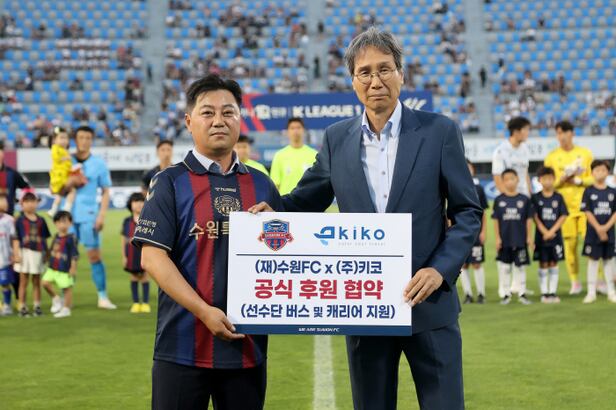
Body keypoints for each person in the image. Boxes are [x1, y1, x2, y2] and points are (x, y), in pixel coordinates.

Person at [249, 28, 481, 409]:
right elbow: (304, 201)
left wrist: (439, 270)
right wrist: (272, 215)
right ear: (353, 81)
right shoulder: (336, 138)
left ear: (401, 74)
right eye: (365, 72)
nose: (376, 81)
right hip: (365, 310)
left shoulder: (440, 131)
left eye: (385, 69)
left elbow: (467, 212)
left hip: (430, 306)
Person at [133, 74, 282, 410]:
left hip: (247, 348)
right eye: (207, 112)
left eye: (228, 112)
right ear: (189, 122)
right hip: (181, 347)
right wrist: (204, 311)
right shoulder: (169, 182)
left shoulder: (262, 184)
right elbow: (152, 258)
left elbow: (285, 258)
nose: (218, 120)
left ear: (240, 119)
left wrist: (280, 229)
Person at [544, 120, 595, 295]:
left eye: (564, 132)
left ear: (572, 133)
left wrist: (579, 180)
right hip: (564, 210)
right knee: (570, 245)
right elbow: (548, 184)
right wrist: (562, 180)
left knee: (591, 243)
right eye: (558, 133)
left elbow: (594, 178)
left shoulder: (585, 154)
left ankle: (598, 281)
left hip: (585, 207)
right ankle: (575, 282)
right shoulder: (551, 157)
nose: (561, 136)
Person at [71, 125, 116, 309]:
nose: (84, 141)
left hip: (89, 215)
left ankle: (102, 297)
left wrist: (101, 215)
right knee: (67, 258)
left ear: (91, 140)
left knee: (94, 256)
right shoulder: (66, 161)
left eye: (88, 138)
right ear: (76, 140)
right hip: (67, 217)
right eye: (81, 137)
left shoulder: (99, 164)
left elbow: (106, 191)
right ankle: (65, 300)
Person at [492, 169, 534, 305]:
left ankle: (522, 293)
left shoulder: (524, 199)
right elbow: (496, 220)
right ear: (503, 182)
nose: (510, 182)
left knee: (520, 267)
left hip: (520, 240)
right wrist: (497, 238)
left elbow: (528, 219)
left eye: (512, 178)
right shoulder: (499, 200)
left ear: (517, 180)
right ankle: (506, 294)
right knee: (505, 268)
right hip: (505, 240)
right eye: (506, 179)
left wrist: (529, 237)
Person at [580, 160, 616, 304]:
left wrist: (606, 227)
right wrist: (599, 228)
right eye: (597, 170)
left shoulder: (613, 192)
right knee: (593, 261)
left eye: (603, 170)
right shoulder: (588, 191)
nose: (600, 173)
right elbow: (587, 211)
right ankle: (591, 292)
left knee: (608, 260)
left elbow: (614, 212)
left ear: (608, 172)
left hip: (609, 233)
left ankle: (611, 291)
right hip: (593, 233)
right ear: (592, 173)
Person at [531, 167, 568, 303]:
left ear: (554, 179)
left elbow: (563, 215)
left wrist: (552, 231)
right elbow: (534, 217)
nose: (547, 181)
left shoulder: (558, 197)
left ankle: (552, 292)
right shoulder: (535, 198)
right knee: (543, 263)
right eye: (544, 179)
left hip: (555, 237)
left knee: (554, 262)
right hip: (541, 237)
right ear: (539, 180)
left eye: (550, 178)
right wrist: (545, 231)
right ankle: (544, 293)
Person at [0, 140, 31, 301]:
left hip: (9, 224)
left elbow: (27, 188)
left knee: (14, 262)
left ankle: (19, 299)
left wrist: (23, 209)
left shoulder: (11, 173)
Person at [14, 191, 51, 317]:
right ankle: (22, 307)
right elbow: (16, 238)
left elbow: (44, 238)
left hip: (38, 253)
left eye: (33, 201)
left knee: (36, 281)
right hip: (24, 252)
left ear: (37, 203)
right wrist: (16, 254)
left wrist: (47, 253)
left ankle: (37, 306)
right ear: (22, 204)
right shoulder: (19, 220)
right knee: (23, 281)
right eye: (27, 201)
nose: (30, 204)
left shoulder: (41, 220)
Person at [460, 159, 489, 304]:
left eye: (469, 167)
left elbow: (483, 212)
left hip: (476, 233)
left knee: (477, 263)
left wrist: (483, 231)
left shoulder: (479, 189)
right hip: (460, 233)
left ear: (473, 169)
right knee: (463, 264)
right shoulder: (454, 187)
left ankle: (481, 293)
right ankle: (468, 294)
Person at [41, 211, 79, 318]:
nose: (62, 225)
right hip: (52, 267)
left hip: (64, 268)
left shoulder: (71, 238)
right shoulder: (56, 236)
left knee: (67, 288)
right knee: (45, 283)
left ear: (70, 223)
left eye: (65, 222)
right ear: (55, 223)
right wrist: (47, 257)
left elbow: (75, 254)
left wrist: (73, 267)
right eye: (59, 222)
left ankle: (66, 309)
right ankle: (56, 298)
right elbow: (52, 248)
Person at [269, 117, 317, 195]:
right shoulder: (279, 155)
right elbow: (275, 185)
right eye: (292, 128)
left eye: (298, 128)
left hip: (309, 200)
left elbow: (317, 182)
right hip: (286, 201)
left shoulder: (314, 154)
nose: (295, 131)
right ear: (287, 132)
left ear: (304, 130)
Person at [122, 192, 150, 314]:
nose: (138, 204)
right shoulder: (127, 221)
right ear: (130, 204)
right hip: (131, 254)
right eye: (135, 201)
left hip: (144, 253)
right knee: (133, 276)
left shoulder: (148, 220)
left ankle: (145, 303)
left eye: (141, 201)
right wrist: (124, 256)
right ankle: (136, 302)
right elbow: (123, 239)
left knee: (144, 276)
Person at [492, 116, 532, 196]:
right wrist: (510, 199)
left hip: (524, 196)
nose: (528, 133)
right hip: (507, 198)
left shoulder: (525, 149)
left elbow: (525, 173)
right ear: (516, 131)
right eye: (525, 129)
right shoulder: (500, 151)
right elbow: (497, 179)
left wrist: (529, 193)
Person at [48, 127, 82, 216]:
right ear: (54, 140)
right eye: (61, 138)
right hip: (60, 177)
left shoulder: (65, 151)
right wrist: (66, 158)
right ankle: (66, 208)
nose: (64, 140)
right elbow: (57, 158)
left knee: (60, 194)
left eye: (66, 138)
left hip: (64, 176)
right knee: (71, 191)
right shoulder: (55, 148)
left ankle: (54, 209)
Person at [0, 194, 19, 315]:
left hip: (5, 258)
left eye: (5, 201)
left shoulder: (9, 220)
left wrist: (15, 253)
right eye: (2, 200)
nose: (5, 203)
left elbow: (14, 238)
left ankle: (7, 305)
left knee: (5, 283)